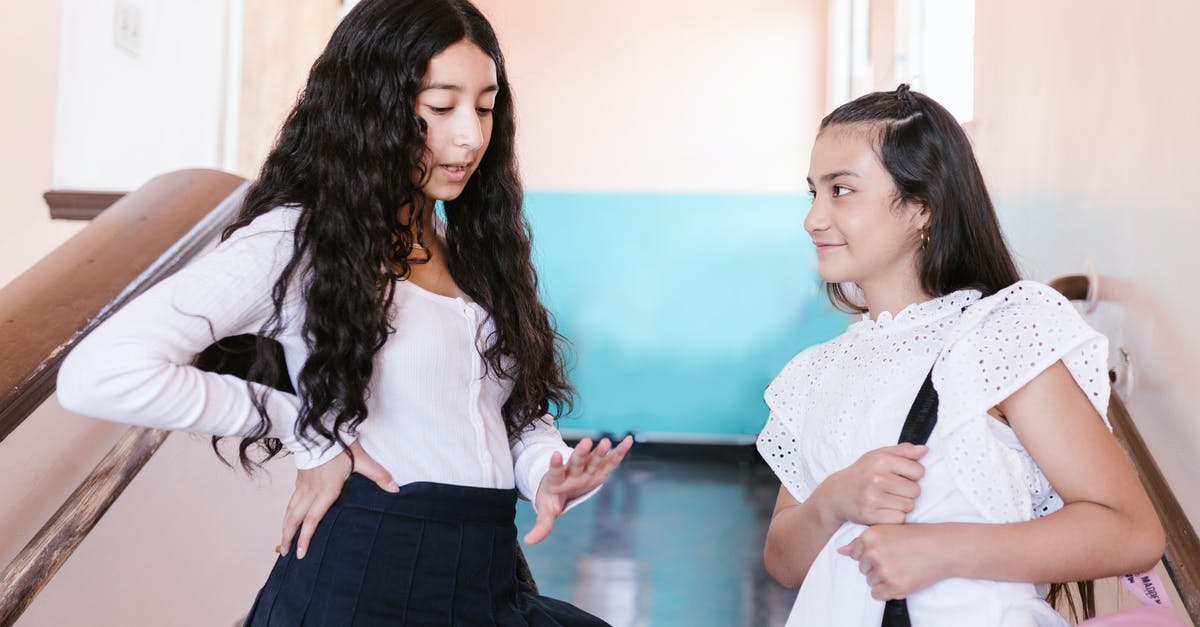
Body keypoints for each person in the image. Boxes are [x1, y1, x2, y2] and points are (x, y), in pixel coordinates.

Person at [56, 0, 631, 624]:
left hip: (485, 571)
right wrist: (307, 429)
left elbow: (498, 415)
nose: (470, 134)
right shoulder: (297, 241)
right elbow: (101, 373)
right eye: (440, 108)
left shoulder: (474, 251)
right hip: (368, 573)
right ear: (371, 108)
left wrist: (546, 472)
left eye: (486, 106)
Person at [757, 85, 1164, 627]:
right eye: (813, 192)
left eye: (842, 191)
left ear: (922, 208)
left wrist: (941, 550)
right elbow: (782, 562)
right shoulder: (813, 373)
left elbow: (1131, 531)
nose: (814, 219)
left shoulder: (1004, 334)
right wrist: (833, 501)